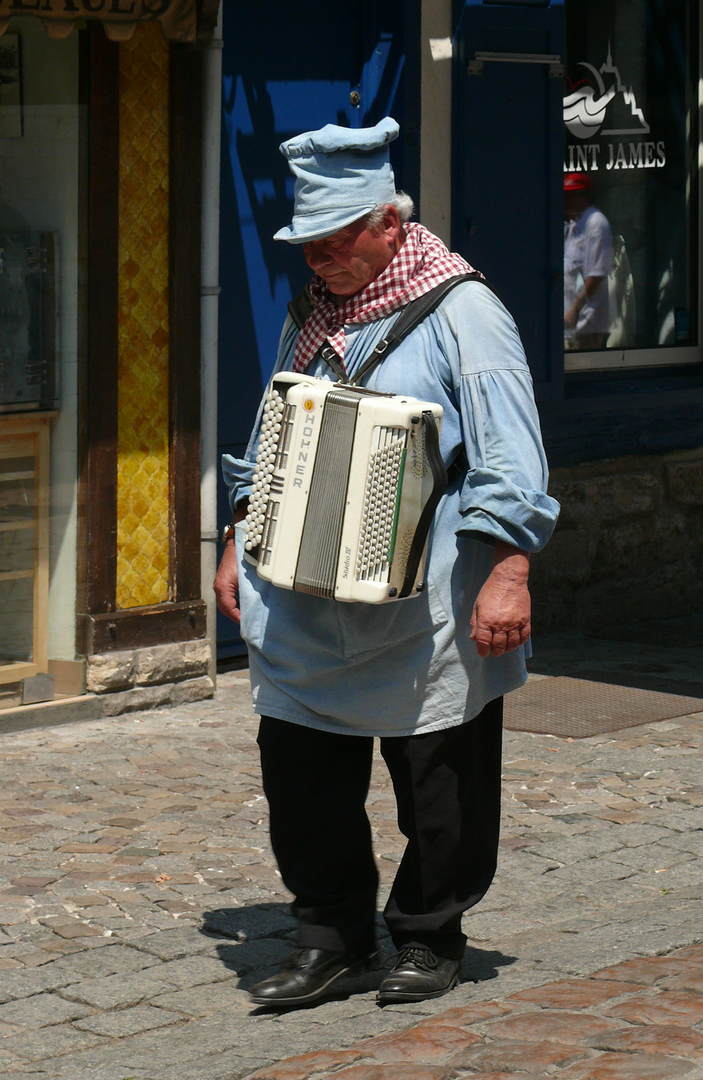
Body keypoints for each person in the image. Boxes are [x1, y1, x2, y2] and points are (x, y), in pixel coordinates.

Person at [215, 117, 559, 1009]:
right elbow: (272, 428)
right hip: (301, 590)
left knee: (438, 783)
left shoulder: (462, 312)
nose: (319, 262)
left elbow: (510, 457)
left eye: (335, 244)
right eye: (308, 247)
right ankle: (331, 938)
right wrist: (235, 532)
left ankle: (426, 935)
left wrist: (508, 570)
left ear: (388, 224)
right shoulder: (314, 309)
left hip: (432, 596)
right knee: (300, 774)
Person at [563, 172, 614, 350]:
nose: (566, 201)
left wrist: (574, 311)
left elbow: (596, 275)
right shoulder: (575, 224)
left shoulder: (596, 223)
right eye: (564, 196)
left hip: (586, 323)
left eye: (570, 196)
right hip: (572, 324)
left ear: (585, 197)